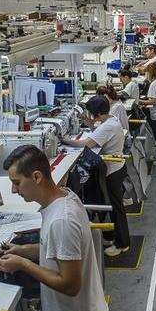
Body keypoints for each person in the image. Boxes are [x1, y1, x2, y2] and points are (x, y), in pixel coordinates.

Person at [0, 145, 108, 311]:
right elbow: (61, 251)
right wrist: (23, 251)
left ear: (36, 177)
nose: (14, 190)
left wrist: (23, 265)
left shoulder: (61, 221)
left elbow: (70, 284)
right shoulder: (65, 197)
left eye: (17, 183)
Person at [62, 96, 130, 257]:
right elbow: (99, 136)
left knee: (116, 208)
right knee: (110, 204)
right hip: (116, 167)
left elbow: (86, 144)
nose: (90, 115)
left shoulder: (107, 126)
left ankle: (122, 243)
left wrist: (65, 140)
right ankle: (111, 236)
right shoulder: (111, 120)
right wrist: (92, 126)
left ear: (97, 113)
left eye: (91, 113)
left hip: (113, 170)